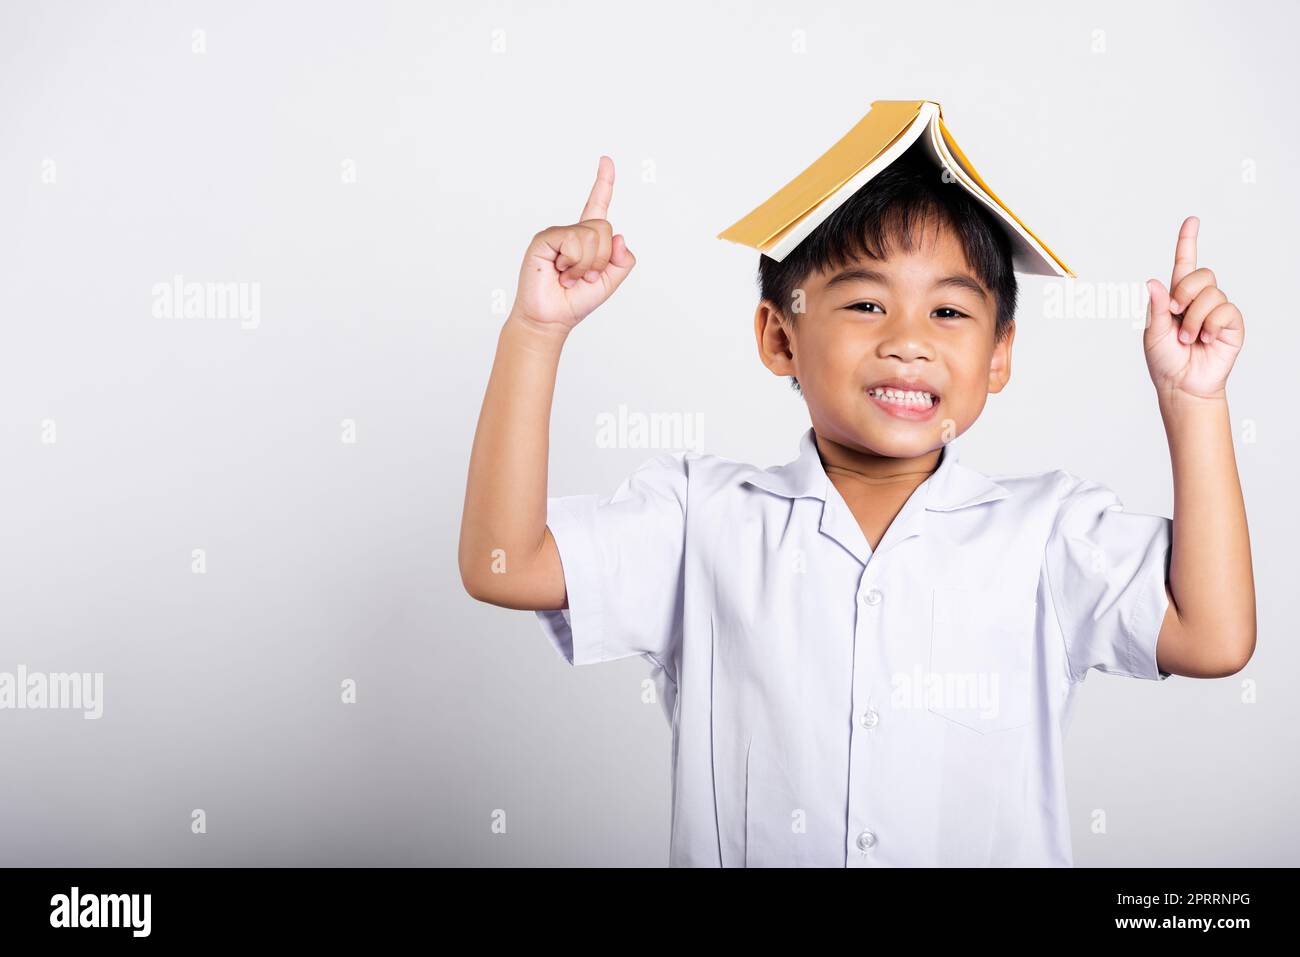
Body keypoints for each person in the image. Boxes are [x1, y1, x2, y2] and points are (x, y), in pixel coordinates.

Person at [457, 151, 1255, 866]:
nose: (909, 341)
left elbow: (1212, 636)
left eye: (948, 311)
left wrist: (1193, 401)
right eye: (866, 305)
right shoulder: (702, 518)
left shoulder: (1046, 532)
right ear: (779, 336)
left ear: (1000, 353)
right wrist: (536, 331)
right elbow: (504, 564)